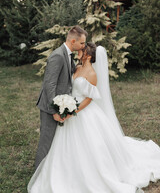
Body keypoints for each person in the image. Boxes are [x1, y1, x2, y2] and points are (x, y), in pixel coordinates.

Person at [28, 43, 160, 193]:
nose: (79, 51)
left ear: (88, 55)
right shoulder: (77, 67)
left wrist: (72, 111)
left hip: (83, 113)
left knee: (89, 146)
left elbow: (89, 99)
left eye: (82, 50)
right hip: (70, 107)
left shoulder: (91, 74)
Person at [34, 25, 87, 169]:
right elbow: (49, 85)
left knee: (55, 141)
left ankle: (51, 171)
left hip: (61, 105)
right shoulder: (58, 55)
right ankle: (38, 174)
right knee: (46, 141)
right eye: (82, 43)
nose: (83, 46)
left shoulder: (69, 55)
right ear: (73, 41)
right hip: (49, 107)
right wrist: (54, 110)